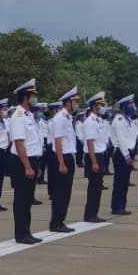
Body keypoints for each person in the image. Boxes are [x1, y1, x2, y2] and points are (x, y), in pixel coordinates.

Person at [6, 79, 43, 244]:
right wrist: (27, 166)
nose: (35, 98)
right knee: (22, 199)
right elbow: (19, 143)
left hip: (31, 160)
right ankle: (21, 234)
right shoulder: (19, 115)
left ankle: (26, 231)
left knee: (28, 199)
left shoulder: (28, 115)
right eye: (33, 95)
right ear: (25, 97)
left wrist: (36, 165)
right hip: (22, 162)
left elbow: (32, 143)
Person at [47, 86, 79, 232]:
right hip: (62, 157)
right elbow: (58, 142)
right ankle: (56, 223)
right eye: (75, 101)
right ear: (67, 103)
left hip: (68, 156)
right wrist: (61, 163)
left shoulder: (67, 117)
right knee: (60, 192)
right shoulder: (59, 118)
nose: (77, 104)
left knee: (66, 192)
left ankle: (60, 221)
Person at [82, 92, 109, 222]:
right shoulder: (90, 122)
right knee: (94, 187)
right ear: (94, 106)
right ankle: (90, 215)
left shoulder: (99, 120)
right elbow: (90, 142)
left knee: (98, 187)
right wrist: (94, 162)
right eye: (101, 105)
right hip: (94, 156)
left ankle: (94, 213)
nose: (103, 107)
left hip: (100, 155)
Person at [109, 95, 138, 215]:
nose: (133, 108)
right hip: (121, 153)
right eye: (130, 106)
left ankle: (121, 205)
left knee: (125, 181)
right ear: (124, 107)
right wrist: (127, 156)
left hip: (127, 152)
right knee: (120, 181)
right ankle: (117, 207)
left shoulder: (128, 120)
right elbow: (121, 140)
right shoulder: (119, 120)